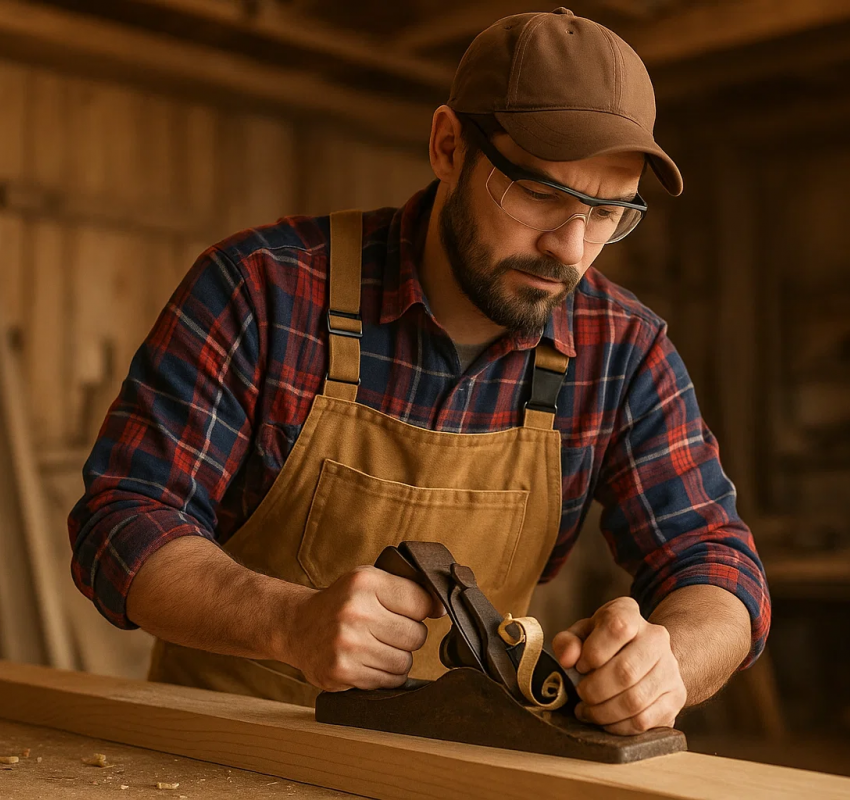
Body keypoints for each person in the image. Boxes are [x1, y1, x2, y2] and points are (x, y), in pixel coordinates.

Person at [70, 7, 770, 736]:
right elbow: (124, 519)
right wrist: (287, 622)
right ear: (448, 147)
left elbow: (717, 565)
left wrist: (669, 662)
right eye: (539, 194)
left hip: (463, 762)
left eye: (607, 212)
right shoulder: (261, 289)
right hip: (225, 745)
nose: (569, 249)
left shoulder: (622, 349)